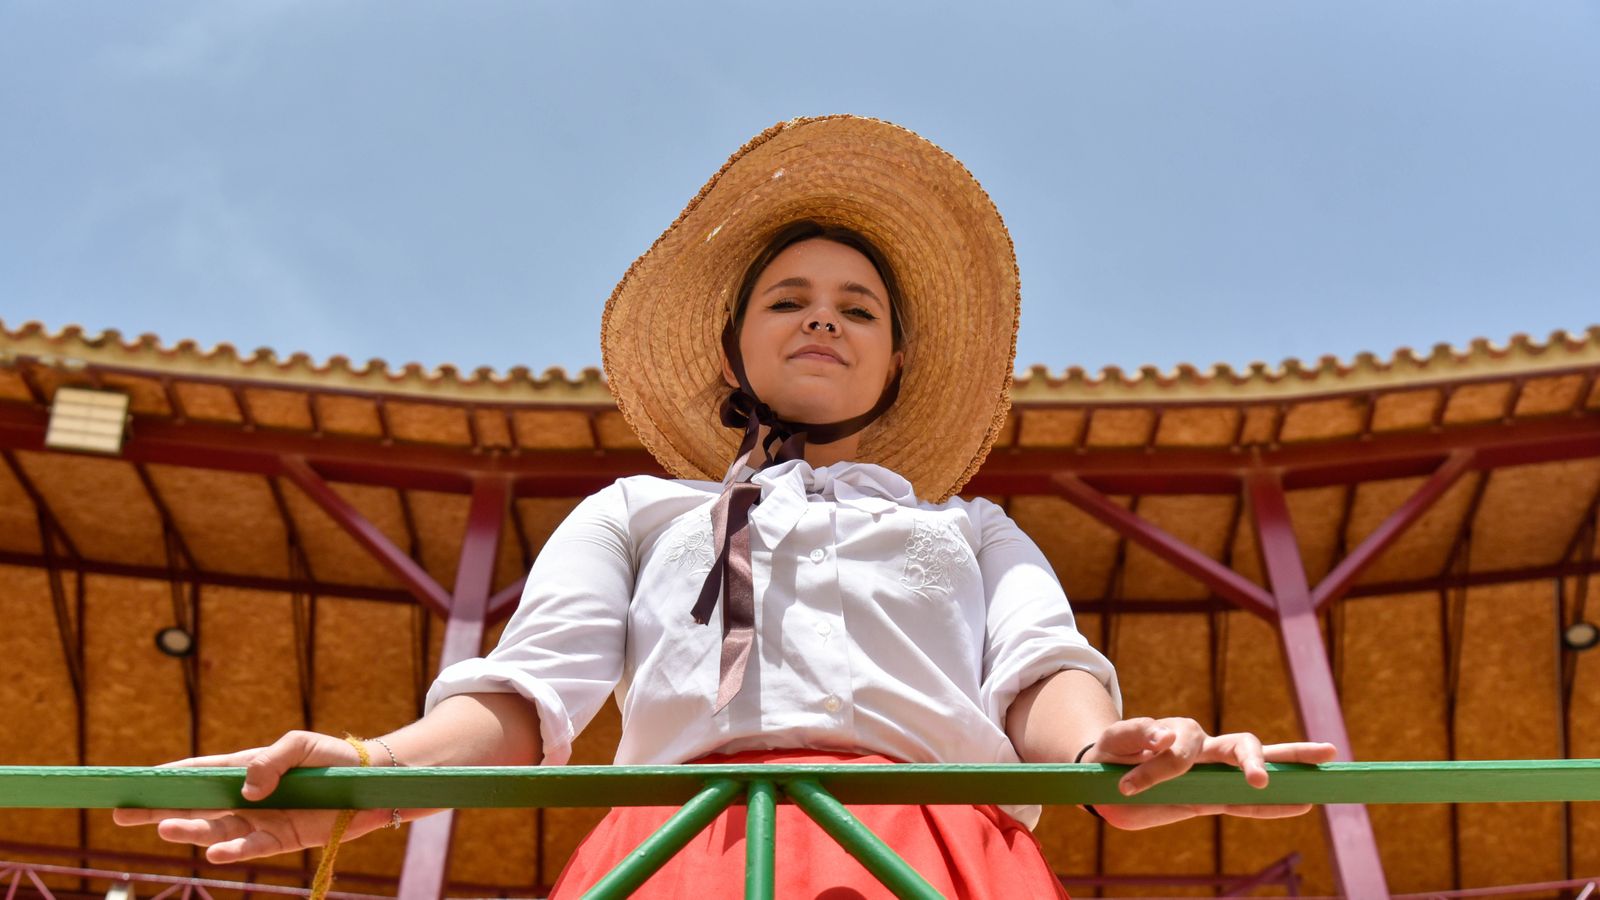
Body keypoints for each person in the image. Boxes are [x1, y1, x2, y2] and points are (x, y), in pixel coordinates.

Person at [115, 116, 1336, 898]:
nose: (823, 318)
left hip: (943, 851)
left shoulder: (970, 527)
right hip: (677, 843)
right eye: (790, 297)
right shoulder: (636, 511)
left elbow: (1038, 674)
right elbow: (527, 698)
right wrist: (371, 773)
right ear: (732, 344)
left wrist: (1099, 753)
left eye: (859, 307)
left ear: (897, 360)